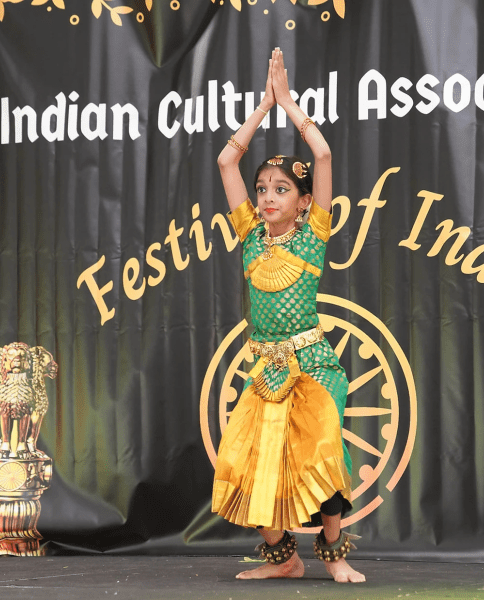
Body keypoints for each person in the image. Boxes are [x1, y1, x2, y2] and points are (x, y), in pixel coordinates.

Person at [212, 48, 365, 584]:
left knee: (324, 455)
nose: (268, 197)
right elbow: (226, 162)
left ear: (303, 202)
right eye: (262, 190)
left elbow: (321, 157)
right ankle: (285, 561)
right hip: (266, 373)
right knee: (252, 466)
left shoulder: (314, 237)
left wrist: (290, 106)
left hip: (313, 366)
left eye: (281, 190)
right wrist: (260, 109)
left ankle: (335, 555)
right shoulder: (250, 237)